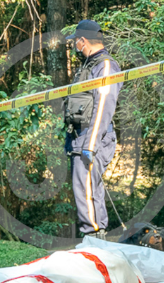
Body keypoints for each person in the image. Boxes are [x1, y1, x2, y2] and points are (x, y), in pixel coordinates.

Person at [64, 20, 122, 240]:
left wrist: (91, 143)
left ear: (83, 40)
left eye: (76, 42)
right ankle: (95, 236)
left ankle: (93, 236)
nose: (75, 46)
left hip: (93, 137)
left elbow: (103, 107)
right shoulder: (89, 66)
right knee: (87, 188)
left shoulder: (106, 66)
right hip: (81, 137)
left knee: (85, 189)